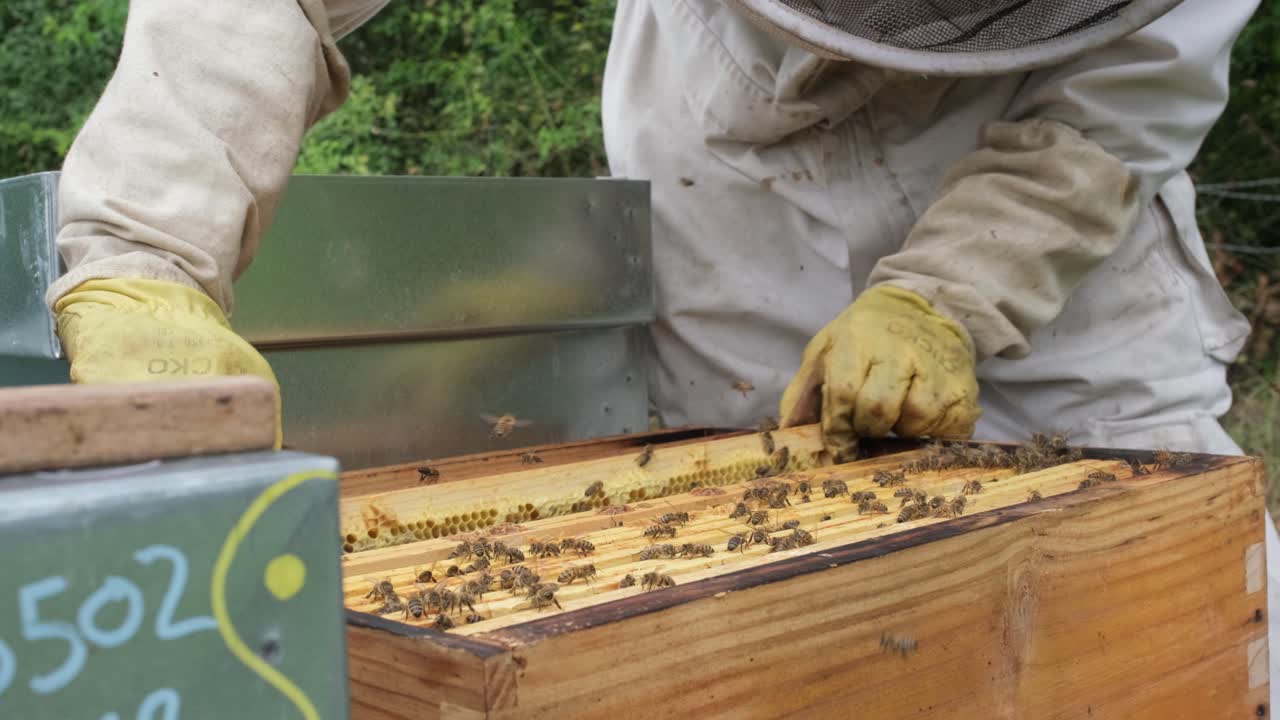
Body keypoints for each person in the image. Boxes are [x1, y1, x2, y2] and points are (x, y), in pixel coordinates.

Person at [43, 0, 1275, 700]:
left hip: (1072, 317)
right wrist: (146, 244)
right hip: (722, 221)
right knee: (740, 656)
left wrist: (949, 293)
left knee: (1166, 627)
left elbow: (1111, 112)